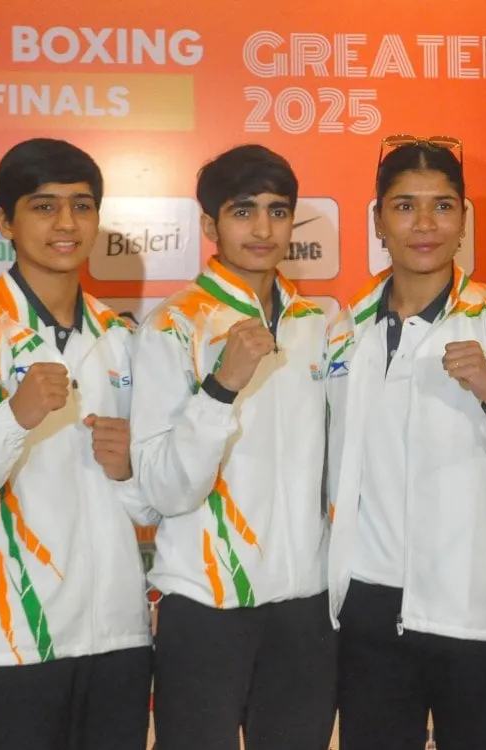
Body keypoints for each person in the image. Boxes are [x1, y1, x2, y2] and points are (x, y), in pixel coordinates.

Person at [325, 136, 486, 750]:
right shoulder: (341, 329)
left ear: (464, 219)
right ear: (377, 220)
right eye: (405, 206)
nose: (425, 224)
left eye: (443, 205)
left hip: (473, 608)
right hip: (368, 607)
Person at [0, 138, 156, 750]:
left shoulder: (123, 339)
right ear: (5, 222)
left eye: (82, 205)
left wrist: (131, 470)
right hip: (11, 641)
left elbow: (148, 508)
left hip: (117, 637)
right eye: (44, 206)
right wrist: (12, 418)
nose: (67, 224)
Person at [130, 144, 336, 750]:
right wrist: (220, 387)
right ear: (208, 225)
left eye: (277, 210)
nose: (263, 228)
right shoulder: (172, 326)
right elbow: (164, 489)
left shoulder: (317, 325)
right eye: (243, 211)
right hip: (205, 606)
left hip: (303, 605)